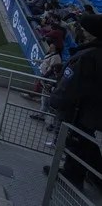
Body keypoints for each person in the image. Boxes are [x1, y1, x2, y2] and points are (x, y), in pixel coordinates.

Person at [47, 13, 102, 191]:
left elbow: (70, 86)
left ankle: (72, 176)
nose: (81, 31)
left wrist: (54, 100)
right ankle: (94, 176)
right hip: (92, 111)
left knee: (75, 141)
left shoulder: (87, 56)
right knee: (85, 142)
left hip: (80, 110)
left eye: (85, 29)